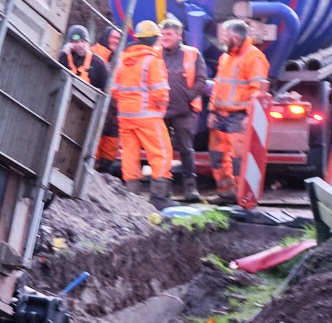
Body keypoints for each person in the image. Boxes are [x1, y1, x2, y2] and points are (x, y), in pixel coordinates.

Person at [209, 19, 269, 203]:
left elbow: (258, 90)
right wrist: (212, 110)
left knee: (238, 158)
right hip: (221, 115)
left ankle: (243, 195)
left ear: (235, 37)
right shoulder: (226, 57)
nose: (223, 40)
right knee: (217, 156)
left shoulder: (254, 57)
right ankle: (226, 192)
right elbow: (218, 85)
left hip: (239, 115)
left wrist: (249, 116)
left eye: (225, 36)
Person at [112, 20, 172, 201]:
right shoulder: (153, 60)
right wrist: (160, 110)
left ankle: (132, 196)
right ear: (154, 39)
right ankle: (159, 196)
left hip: (125, 116)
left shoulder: (123, 59)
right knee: (160, 152)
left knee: (129, 154)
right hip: (148, 116)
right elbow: (161, 91)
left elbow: (114, 89)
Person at [158, 16, 210, 202]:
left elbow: (201, 80)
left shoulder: (193, 54)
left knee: (186, 149)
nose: (165, 37)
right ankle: (163, 188)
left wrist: (188, 97)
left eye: (169, 34)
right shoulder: (155, 53)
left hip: (184, 111)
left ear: (179, 35)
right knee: (161, 150)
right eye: (163, 34)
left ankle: (190, 187)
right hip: (160, 110)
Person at [62, 26, 118, 172]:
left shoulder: (98, 63)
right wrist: (64, 53)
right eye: (76, 42)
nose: (80, 45)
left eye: (83, 41)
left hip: (89, 114)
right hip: (66, 111)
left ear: (88, 43)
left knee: (86, 144)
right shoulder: (65, 57)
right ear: (69, 43)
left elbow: (105, 91)